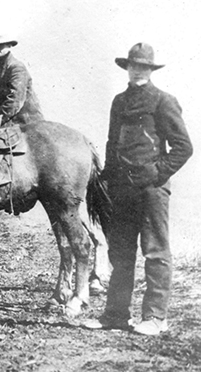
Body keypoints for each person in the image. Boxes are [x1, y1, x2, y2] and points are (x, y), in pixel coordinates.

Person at [83, 42, 193, 335]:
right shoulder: (119, 101)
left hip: (152, 191)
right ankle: (116, 315)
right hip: (123, 190)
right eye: (133, 66)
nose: (137, 71)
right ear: (127, 68)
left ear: (150, 69)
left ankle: (156, 318)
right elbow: (111, 143)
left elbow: (184, 147)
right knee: (121, 254)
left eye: (143, 67)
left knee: (155, 252)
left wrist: (157, 173)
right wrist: (108, 178)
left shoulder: (163, 101)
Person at [0, 34, 43, 125]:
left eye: (1, 45)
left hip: (25, 122)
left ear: (9, 45)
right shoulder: (1, 69)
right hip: (11, 118)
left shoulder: (16, 67)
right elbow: (1, 97)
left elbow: (15, 100)